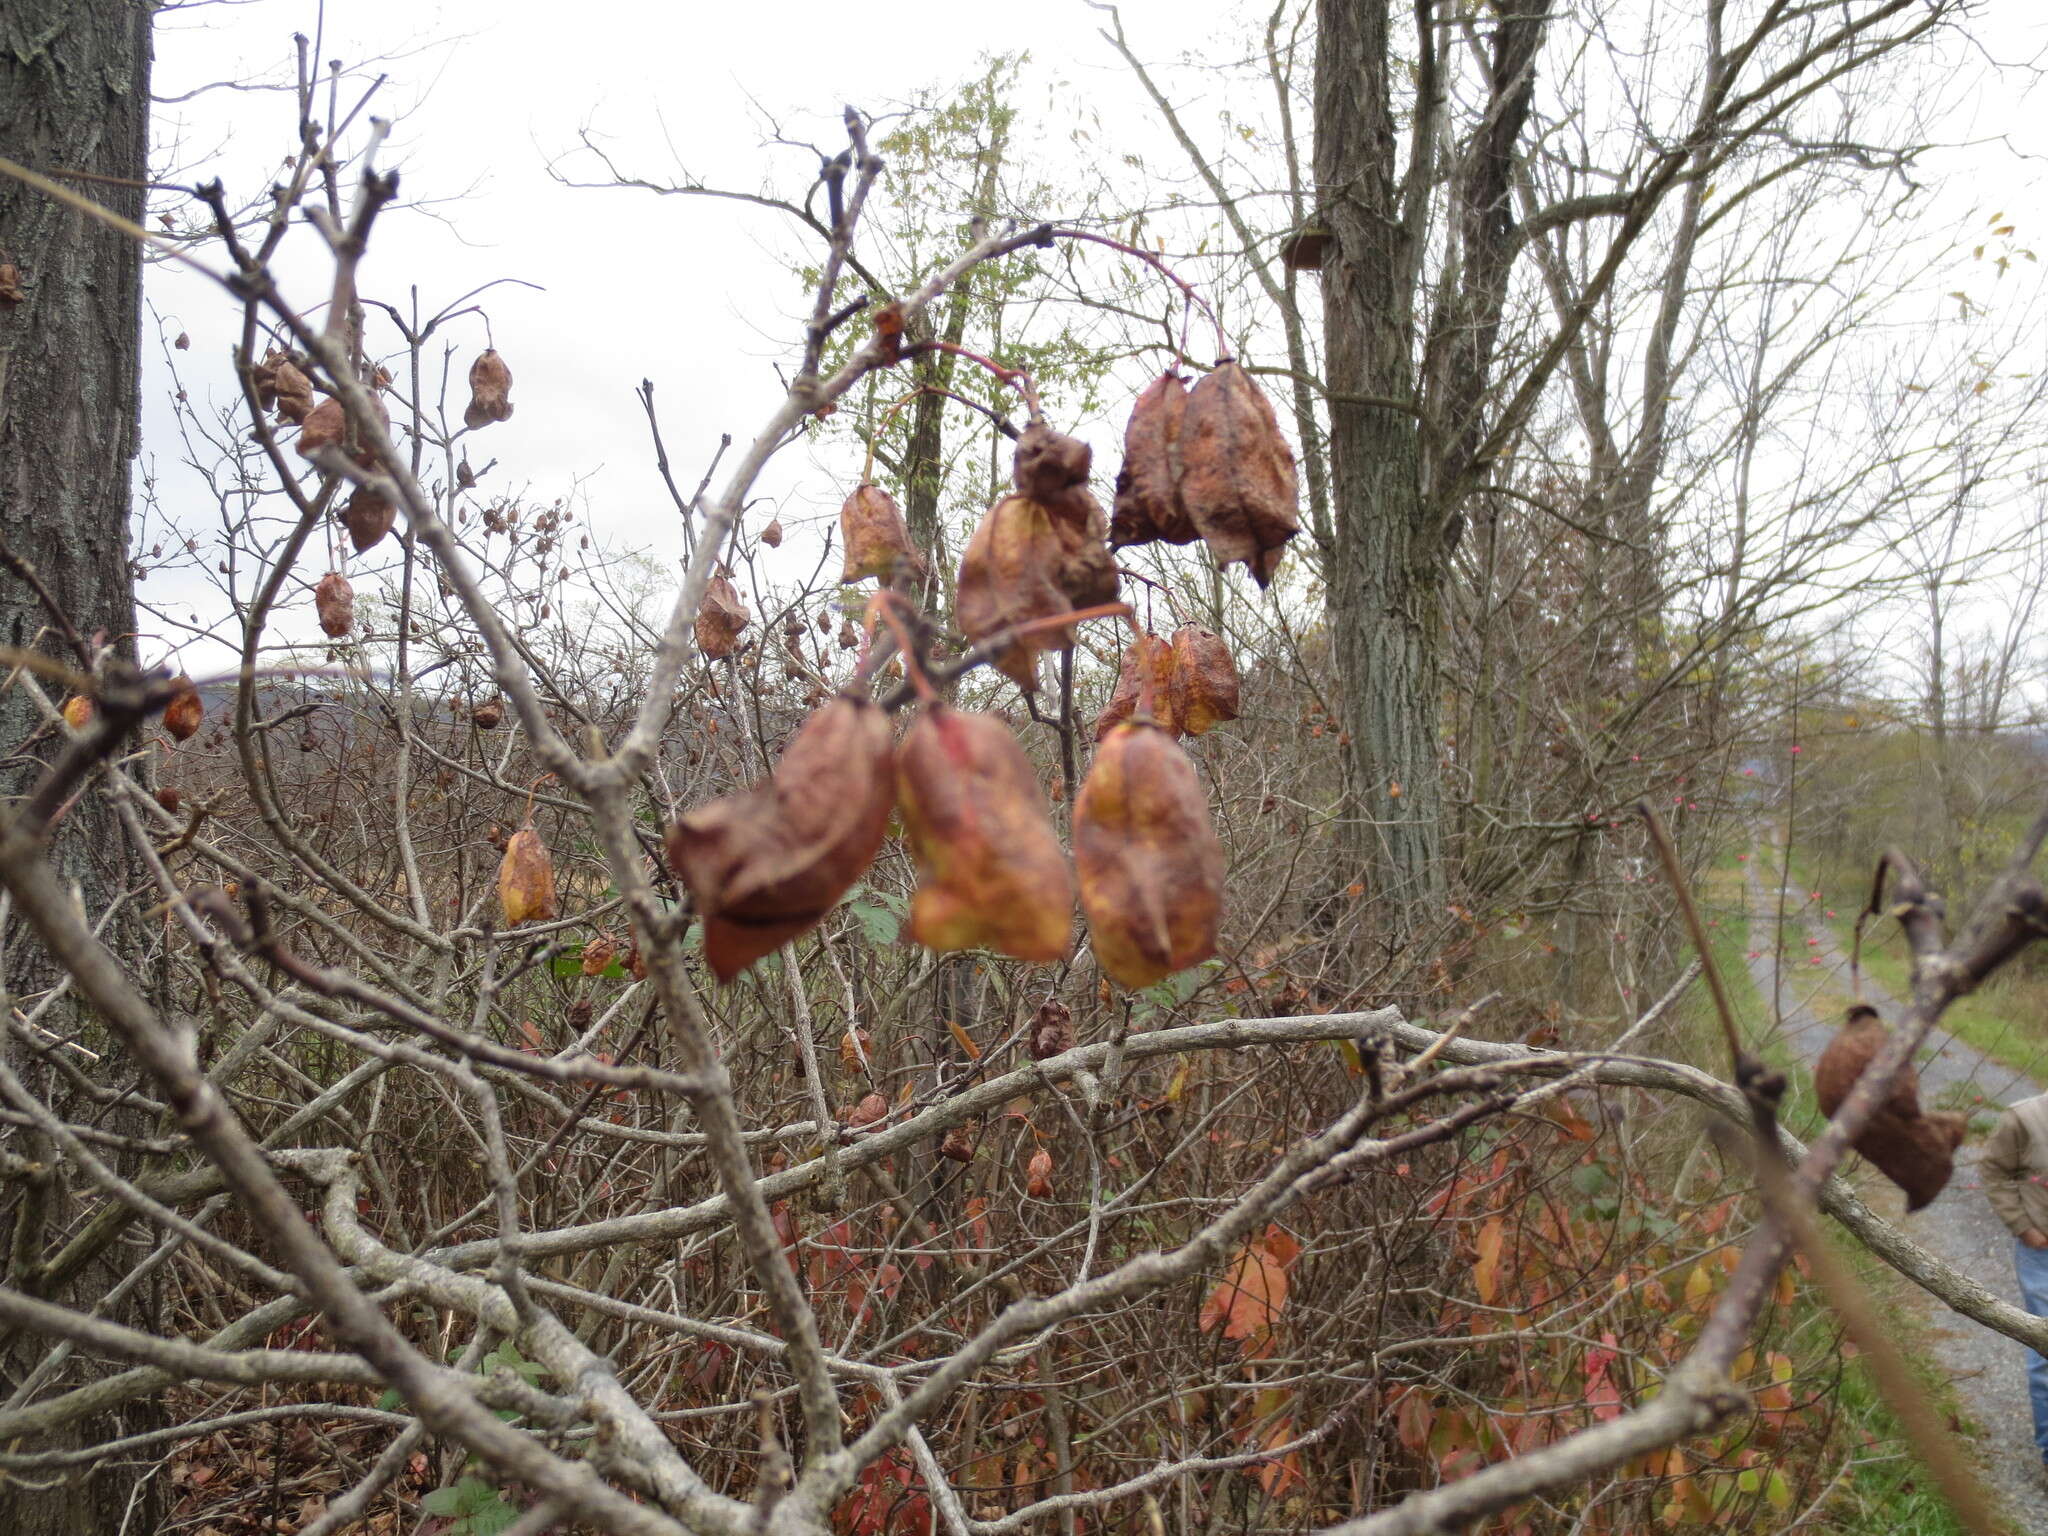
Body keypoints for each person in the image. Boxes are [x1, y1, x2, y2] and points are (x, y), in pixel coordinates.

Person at [1982, 1090, 2048, 1474]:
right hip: (2042, 1254)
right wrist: (2023, 1227)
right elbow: (1992, 1170)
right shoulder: (2024, 1118)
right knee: (2045, 1355)